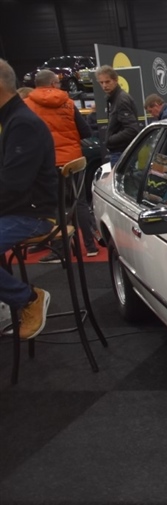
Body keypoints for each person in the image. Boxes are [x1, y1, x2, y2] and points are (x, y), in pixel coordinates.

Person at [0, 58, 56, 339]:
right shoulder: (11, 119)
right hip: (18, 209)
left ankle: (28, 298)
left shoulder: (22, 123)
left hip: (32, 215)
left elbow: (13, 186)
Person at [24, 69, 99, 262]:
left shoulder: (27, 105)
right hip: (73, 160)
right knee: (80, 202)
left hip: (47, 163)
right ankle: (90, 246)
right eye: (57, 83)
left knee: (55, 205)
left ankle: (60, 250)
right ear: (52, 83)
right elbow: (85, 131)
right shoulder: (68, 102)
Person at [96, 65, 141, 167]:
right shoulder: (116, 98)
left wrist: (110, 139)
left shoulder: (121, 100)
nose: (104, 85)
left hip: (122, 152)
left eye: (107, 82)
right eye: (101, 82)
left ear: (115, 80)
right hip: (122, 152)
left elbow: (132, 129)